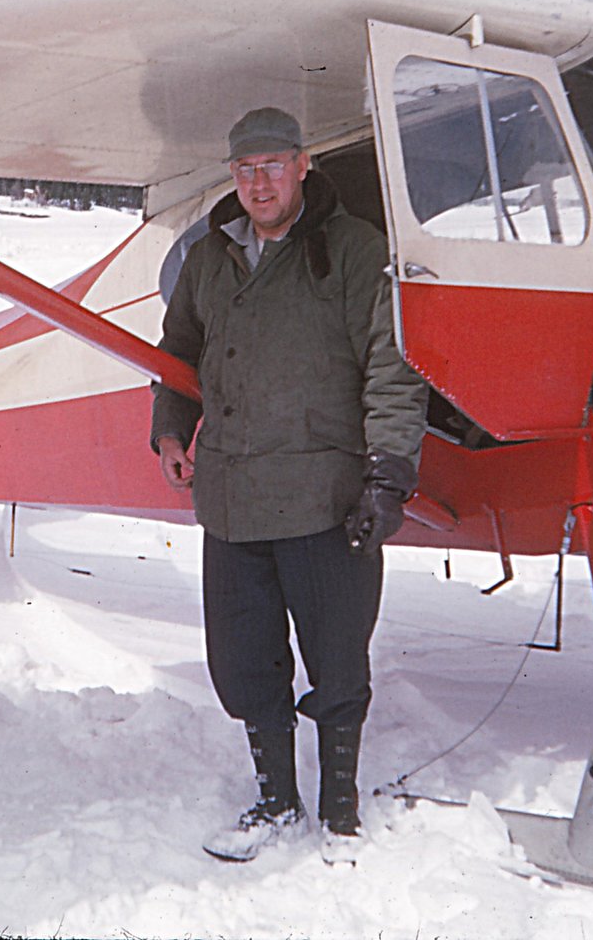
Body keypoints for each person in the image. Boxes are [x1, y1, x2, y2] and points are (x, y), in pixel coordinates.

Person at [151, 107, 428, 862]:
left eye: (272, 165)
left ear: (304, 165)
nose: (258, 182)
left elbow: (392, 369)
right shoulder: (212, 258)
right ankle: (276, 801)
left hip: (322, 496)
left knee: (337, 657)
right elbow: (178, 351)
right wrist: (171, 427)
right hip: (233, 498)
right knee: (244, 660)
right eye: (244, 169)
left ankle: (339, 813)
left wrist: (388, 474)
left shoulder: (353, 251)